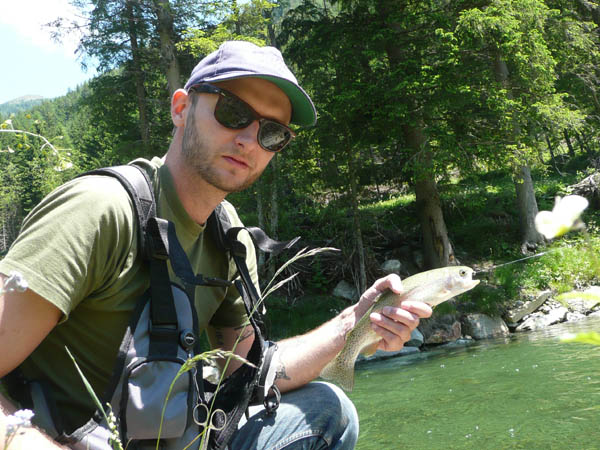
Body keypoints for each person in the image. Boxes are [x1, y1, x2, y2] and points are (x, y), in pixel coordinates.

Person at [0, 41, 432, 449]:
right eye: (233, 111)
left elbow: (250, 372)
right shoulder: (99, 210)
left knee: (328, 411)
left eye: (272, 133)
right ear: (181, 108)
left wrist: (354, 323)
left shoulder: (229, 236)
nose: (248, 140)